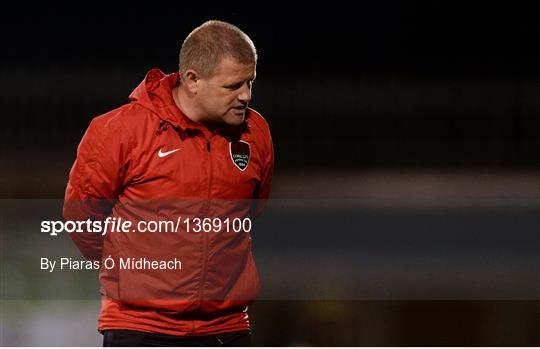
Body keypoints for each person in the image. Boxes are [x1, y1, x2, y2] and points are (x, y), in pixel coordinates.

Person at [63, 20, 274, 346]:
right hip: (140, 327)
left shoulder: (256, 133)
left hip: (226, 327)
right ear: (192, 80)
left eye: (250, 82)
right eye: (233, 86)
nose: (245, 96)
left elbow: (252, 211)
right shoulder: (120, 131)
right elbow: (81, 218)